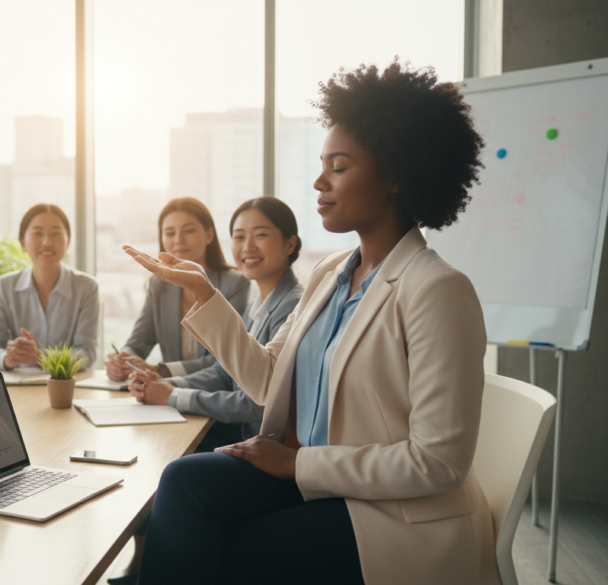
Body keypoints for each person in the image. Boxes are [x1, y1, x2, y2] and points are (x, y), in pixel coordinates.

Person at [124, 60, 497, 585]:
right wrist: (204, 292)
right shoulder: (328, 274)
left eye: (339, 167)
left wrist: (296, 466)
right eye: (322, 165)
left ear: (396, 175)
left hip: (388, 513)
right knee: (183, 480)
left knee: (223, 553)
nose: (319, 181)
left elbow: (437, 463)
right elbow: (265, 378)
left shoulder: (437, 290)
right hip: (317, 480)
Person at [130, 196, 304, 448]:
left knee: (169, 459)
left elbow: (260, 401)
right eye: (239, 237)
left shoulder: (291, 306)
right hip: (242, 433)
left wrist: (175, 395)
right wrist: (165, 384)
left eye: (260, 235)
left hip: (263, 445)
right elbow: (224, 372)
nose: (247, 247)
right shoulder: (260, 302)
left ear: (290, 244)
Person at [106, 197, 248, 381]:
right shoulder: (159, 285)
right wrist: (123, 360)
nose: (178, 240)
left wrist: (162, 370)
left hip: (213, 394)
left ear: (209, 235)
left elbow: (226, 359)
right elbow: (138, 342)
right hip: (167, 397)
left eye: (188, 231)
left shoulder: (235, 284)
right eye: (170, 233)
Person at [0, 203, 99, 371]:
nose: (47, 242)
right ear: (23, 242)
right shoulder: (5, 286)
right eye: (37, 233)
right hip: (20, 387)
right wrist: (8, 358)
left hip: (67, 387)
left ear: (68, 242)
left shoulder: (87, 287)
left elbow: (87, 353)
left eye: (56, 234)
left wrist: (39, 357)